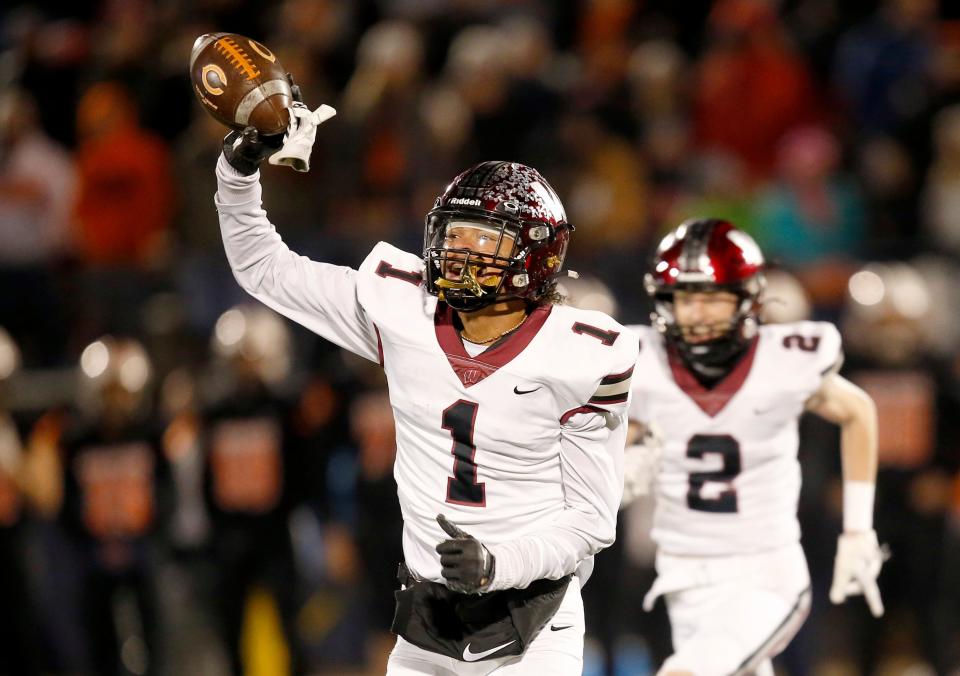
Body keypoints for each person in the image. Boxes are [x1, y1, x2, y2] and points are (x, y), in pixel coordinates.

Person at [212, 94, 638, 673]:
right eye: (453, 236)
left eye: (483, 241)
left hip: (533, 623)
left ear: (536, 255)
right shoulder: (403, 309)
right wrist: (238, 172)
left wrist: (498, 563)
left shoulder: (582, 356)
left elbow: (590, 522)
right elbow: (264, 268)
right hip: (428, 623)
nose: (458, 255)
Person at [621, 218, 885, 676]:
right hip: (682, 575)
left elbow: (857, 411)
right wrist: (615, 467)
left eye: (713, 298)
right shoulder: (642, 364)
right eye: (686, 298)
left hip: (762, 575)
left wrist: (858, 529)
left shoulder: (782, 361)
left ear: (747, 299)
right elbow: (606, 445)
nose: (698, 314)